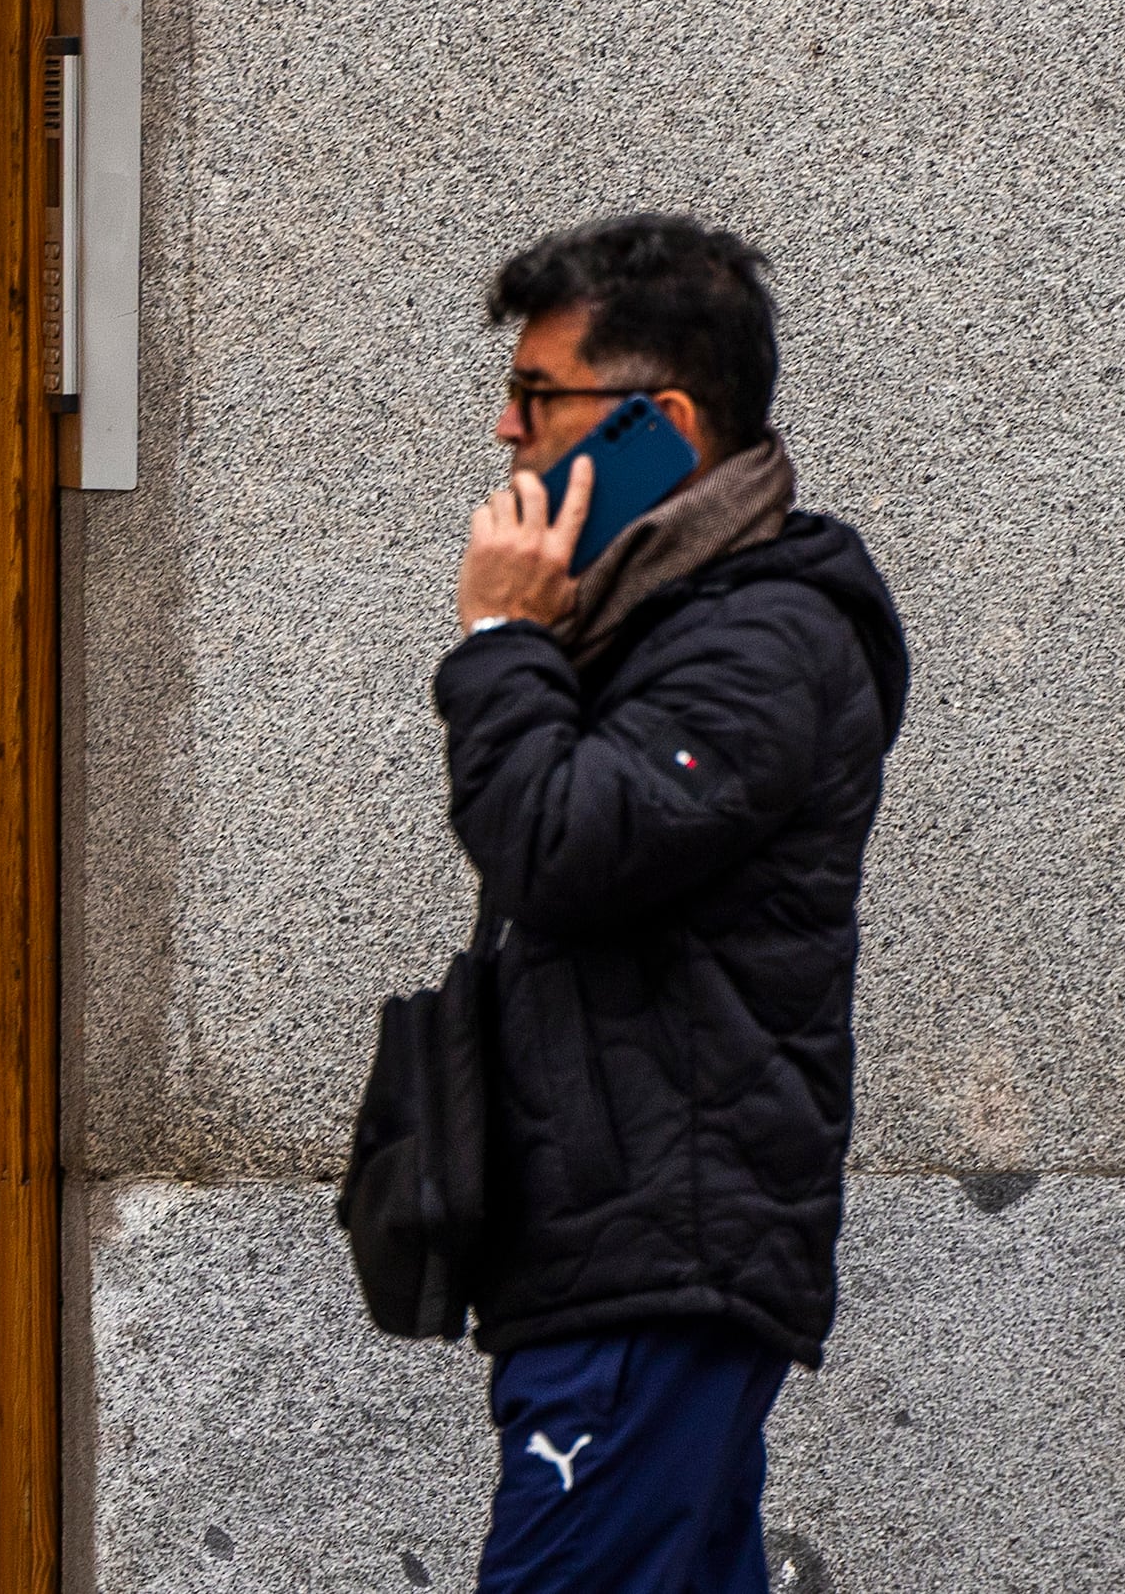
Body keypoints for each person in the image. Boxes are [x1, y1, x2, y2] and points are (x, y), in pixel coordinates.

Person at [436, 216, 913, 1594]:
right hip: (630, 1238)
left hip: (659, 1248)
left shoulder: (762, 640)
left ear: (663, 423)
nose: (507, 430)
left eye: (539, 396)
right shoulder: (668, 620)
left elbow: (557, 844)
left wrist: (501, 641)